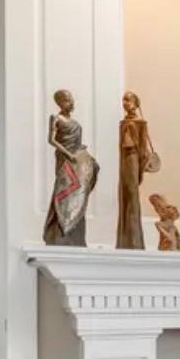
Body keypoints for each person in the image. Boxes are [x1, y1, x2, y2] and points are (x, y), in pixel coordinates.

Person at [43, 89, 98, 246]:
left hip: (77, 159)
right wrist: (68, 154)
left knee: (79, 194)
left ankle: (76, 235)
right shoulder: (56, 118)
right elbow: (51, 140)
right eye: (66, 100)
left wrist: (84, 156)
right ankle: (60, 232)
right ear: (59, 102)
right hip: (65, 159)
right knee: (64, 191)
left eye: (71, 99)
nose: (70, 102)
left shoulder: (74, 121)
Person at [117, 91, 156, 249]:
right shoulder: (124, 122)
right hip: (124, 158)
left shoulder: (140, 122)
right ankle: (124, 238)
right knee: (124, 192)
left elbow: (143, 147)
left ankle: (134, 239)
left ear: (135, 103)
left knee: (132, 192)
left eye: (128, 100)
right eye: (123, 100)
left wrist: (140, 166)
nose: (125, 103)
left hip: (133, 157)